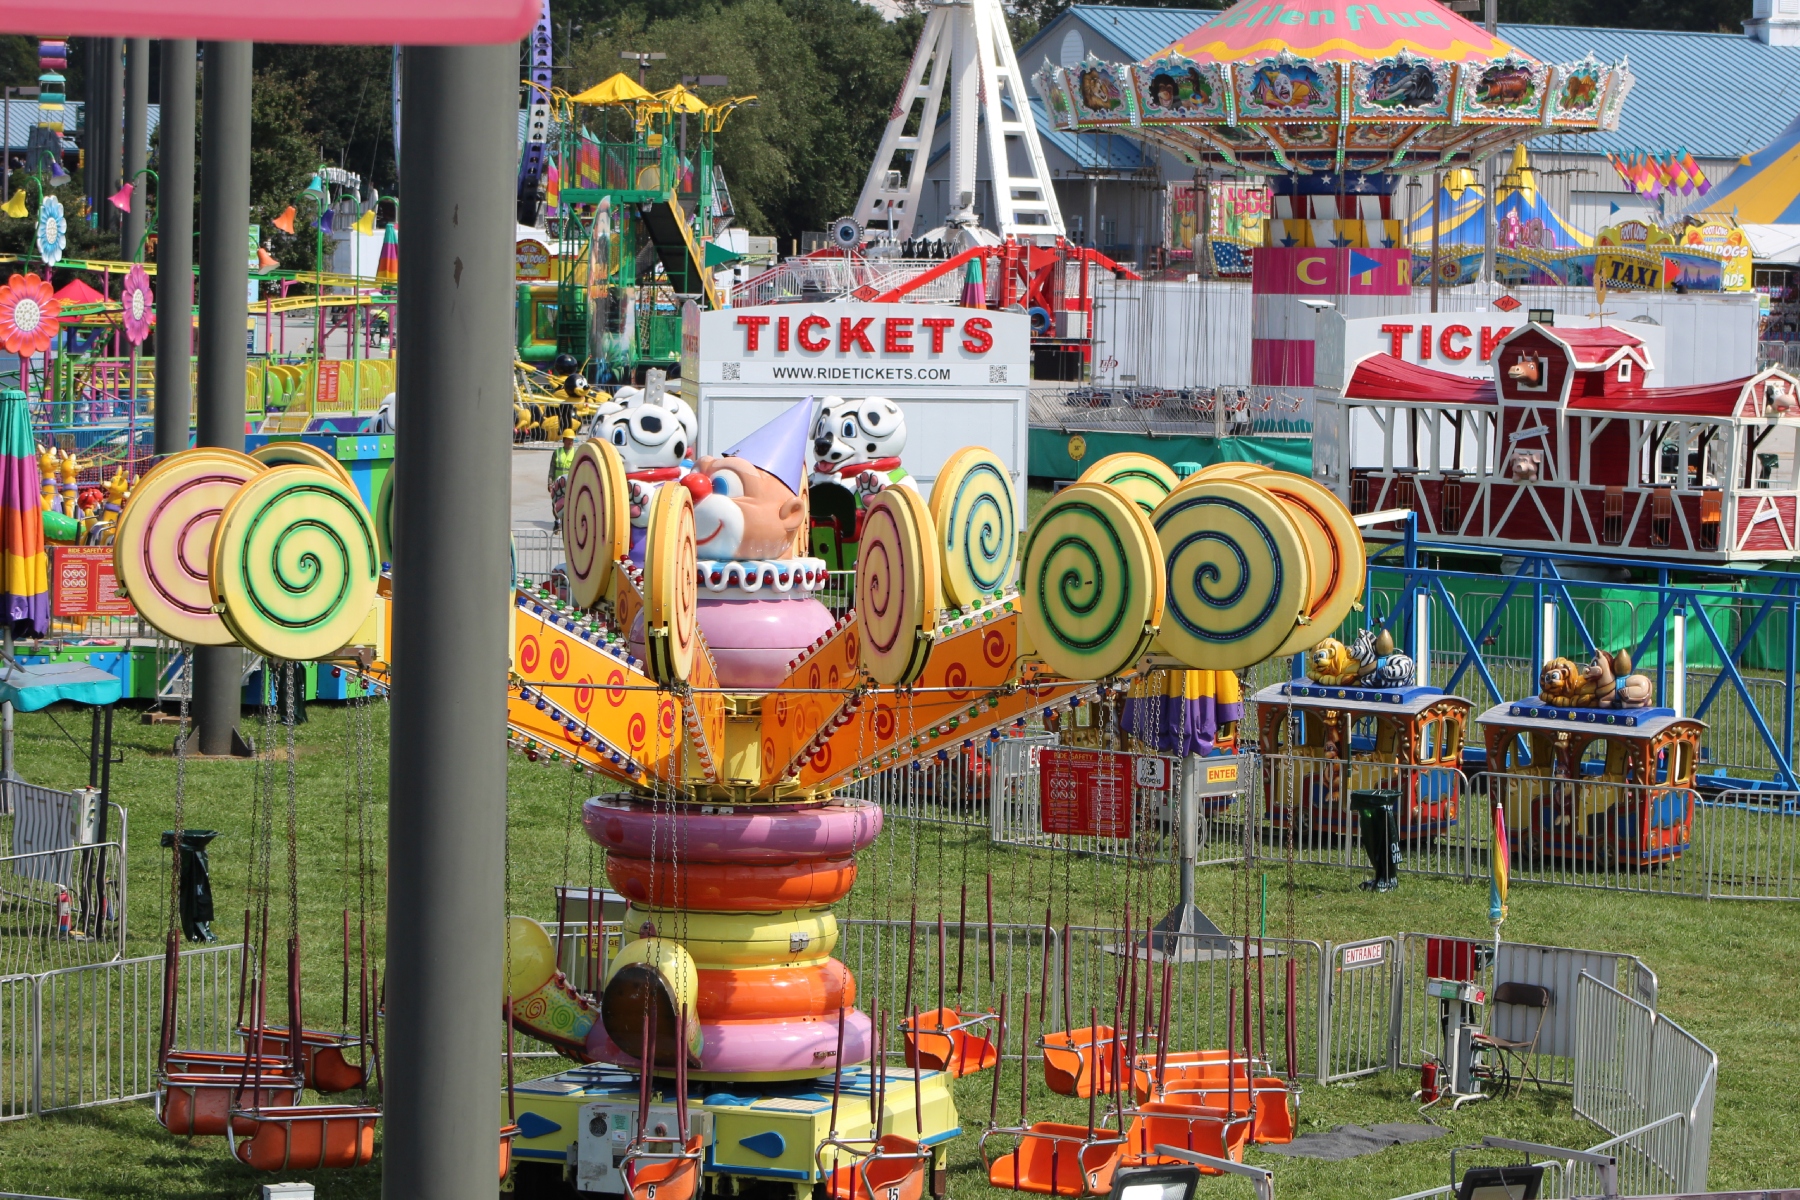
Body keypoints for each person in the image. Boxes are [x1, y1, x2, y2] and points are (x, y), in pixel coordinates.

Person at [549, 428, 577, 533]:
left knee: (569, 505)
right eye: (568, 440)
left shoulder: (575, 453)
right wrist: (549, 482)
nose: (570, 442)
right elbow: (552, 469)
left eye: (572, 440)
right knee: (555, 504)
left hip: (570, 484)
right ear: (564, 440)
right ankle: (557, 522)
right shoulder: (557, 453)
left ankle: (568, 524)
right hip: (557, 484)